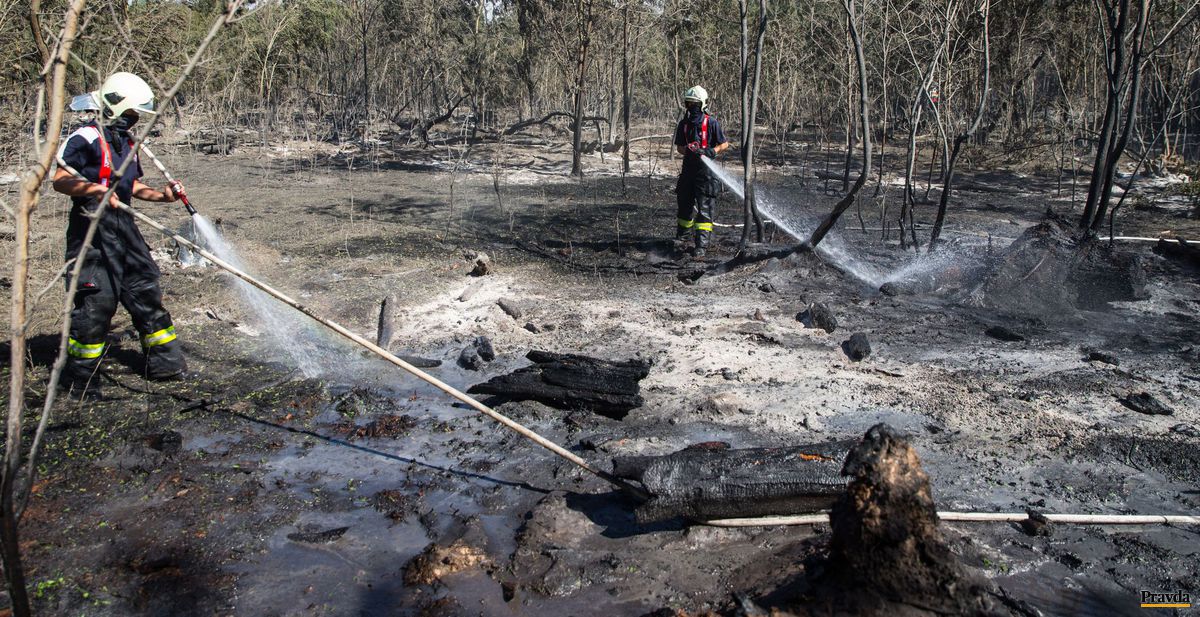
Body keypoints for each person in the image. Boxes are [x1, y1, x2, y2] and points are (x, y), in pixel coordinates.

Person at [51, 71, 188, 399]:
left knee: (146, 293)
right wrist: (95, 190)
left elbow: (132, 186)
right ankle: (83, 383)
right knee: (96, 307)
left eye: (136, 116)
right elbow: (59, 178)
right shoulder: (85, 137)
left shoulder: (126, 142)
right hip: (91, 232)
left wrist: (164, 195)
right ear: (113, 107)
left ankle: (166, 366)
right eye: (130, 114)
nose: (134, 120)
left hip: (125, 231)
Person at [673, 85, 730, 258]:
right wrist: (689, 150)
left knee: (705, 210)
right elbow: (680, 148)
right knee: (684, 207)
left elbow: (724, 144)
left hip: (705, 175)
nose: (692, 107)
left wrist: (711, 151)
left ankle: (701, 246)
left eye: (695, 104)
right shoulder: (683, 124)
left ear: (703, 104)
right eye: (689, 104)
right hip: (688, 172)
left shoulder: (711, 123)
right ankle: (681, 241)